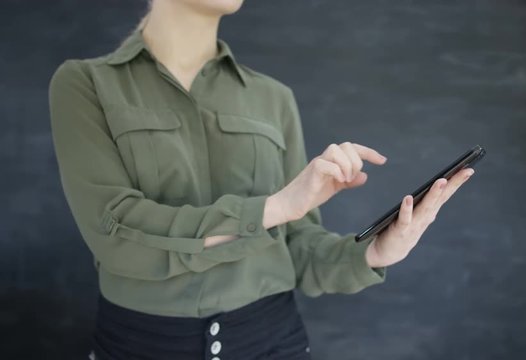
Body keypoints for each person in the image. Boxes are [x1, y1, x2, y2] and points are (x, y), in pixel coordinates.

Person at [47, 0, 475, 359]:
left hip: (272, 341)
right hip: (142, 344)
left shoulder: (273, 98)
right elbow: (114, 231)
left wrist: (374, 253)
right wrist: (274, 208)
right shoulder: (85, 84)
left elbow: (298, 249)